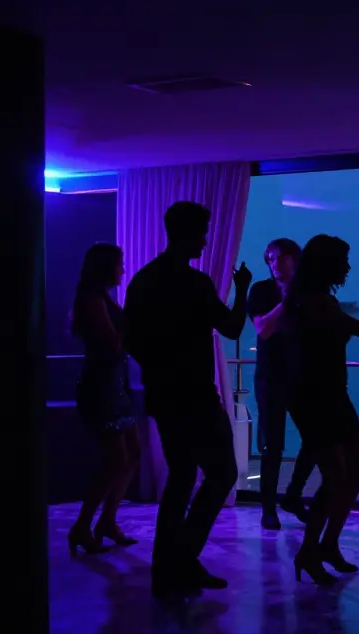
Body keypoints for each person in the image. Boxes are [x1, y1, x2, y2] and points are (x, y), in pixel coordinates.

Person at [124, 200, 252, 598]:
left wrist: (161, 369)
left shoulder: (144, 280)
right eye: (203, 232)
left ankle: (169, 566)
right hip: (196, 395)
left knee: (180, 478)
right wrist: (243, 288)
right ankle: (182, 559)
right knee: (221, 474)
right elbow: (231, 327)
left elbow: (131, 340)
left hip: (164, 396)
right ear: (192, 233)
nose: (206, 239)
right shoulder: (195, 284)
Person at [287, 234, 359, 584]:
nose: (348, 267)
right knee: (341, 476)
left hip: (332, 394)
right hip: (316, 397)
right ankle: (312, 549)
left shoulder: (316, 300)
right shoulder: (315, 303)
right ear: (328, 264)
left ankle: (326, 545)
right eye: (343, 260)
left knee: (354, 473)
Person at [67, 243, 141, 554]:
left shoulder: (100, 299)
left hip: (114, 386)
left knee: (132, 453)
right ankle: (83, 526)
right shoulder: (92, 300)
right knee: (115, 460)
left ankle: (106, 521)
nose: (123, 269)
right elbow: (111, 343)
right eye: (119, 264)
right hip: (102, 389)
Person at [246, 237, 318, 529]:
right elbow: (262, 329)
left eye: (279, 257)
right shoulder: (261, 291)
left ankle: (293, 494)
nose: (274, 263)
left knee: (315, 438)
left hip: (302, 377)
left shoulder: (308, 293)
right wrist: (287, 301)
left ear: (294, 259)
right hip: (271, 378)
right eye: (270, 259)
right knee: (272, 446)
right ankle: (268, 509)